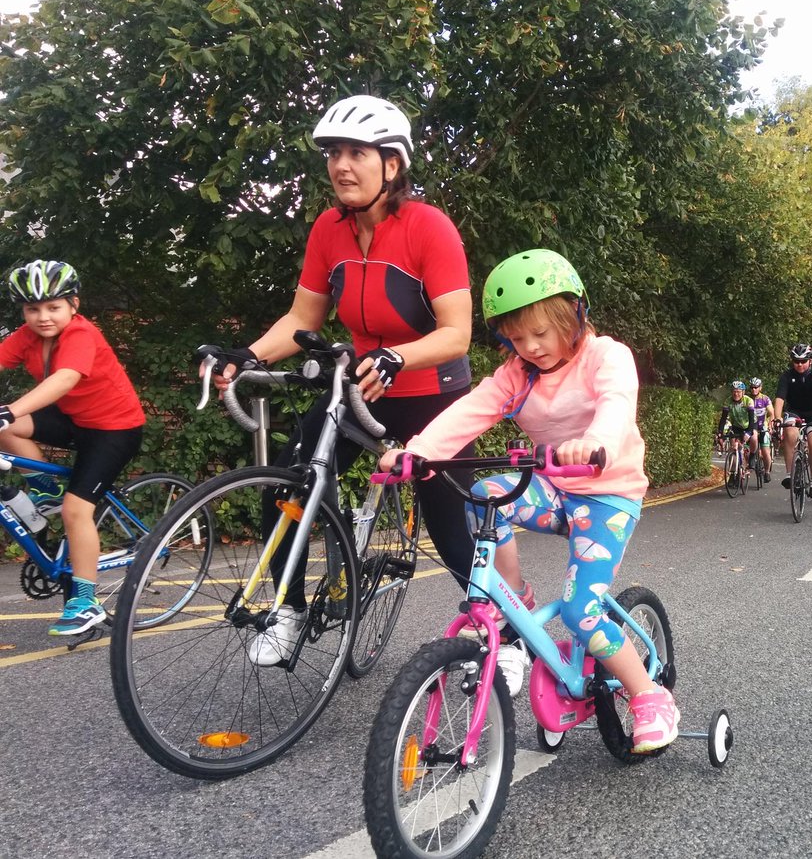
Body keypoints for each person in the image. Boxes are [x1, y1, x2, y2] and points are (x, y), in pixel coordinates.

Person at [210, 94, 477, 666]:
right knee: (287, 480)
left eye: (358, 152)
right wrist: (245, 353)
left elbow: (457, 333)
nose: (341, 165)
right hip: (358, 391)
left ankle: (495, 625)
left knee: (450, 526)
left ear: (393, 164)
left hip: (432, 395)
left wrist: (398, 358)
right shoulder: (328, 230)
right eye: (334, 153)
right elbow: (303, 320)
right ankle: (289, 609)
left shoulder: (429, 227)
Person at [380, 248, 678, 753]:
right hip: (554, 491)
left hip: (606, 495)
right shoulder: (518, 374)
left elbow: (616, 405)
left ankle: (649, 697)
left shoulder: (606, 357)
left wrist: (593, 442)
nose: (530, 346)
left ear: (574, 312)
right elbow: (471, 411)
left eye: (541, 332)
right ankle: (515, 598)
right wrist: (418, 453)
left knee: (584, 611)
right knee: (483, 493)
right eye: (516, 337)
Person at [0, 260, 145, 636]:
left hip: (115, 430)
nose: (43, 316)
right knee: (5, 429)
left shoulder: (80, 334)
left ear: (73, 305)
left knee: (76, 510)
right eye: (33, 309)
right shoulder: (28, 336)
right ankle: (46, 488)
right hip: (78, 424)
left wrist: (11, 409)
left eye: (53, 307)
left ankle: (85, 602)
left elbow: (65, 379)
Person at [773, 343, 812, 499]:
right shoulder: (786, 376)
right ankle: (790, 474)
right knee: (790, 433)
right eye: (796, 361)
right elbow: (780, 398)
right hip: (794, 411)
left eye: (803, 361)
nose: (800, 365)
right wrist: (777, 418)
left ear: (810, 361)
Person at [747, 377, 774, 483]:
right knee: (746, 450)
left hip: (763, 426)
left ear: (760, 388)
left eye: (756, 387)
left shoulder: (765, 399)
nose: (754, 389)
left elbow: (771, 413)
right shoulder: (747, 399)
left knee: (765, 452)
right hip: (750, 427)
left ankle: (767, 472)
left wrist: (770, 426)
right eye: (752, 387)